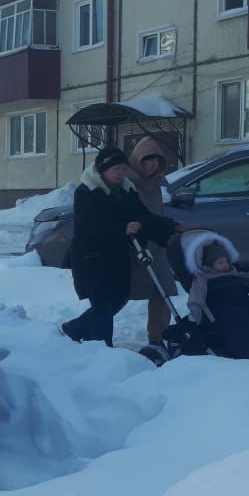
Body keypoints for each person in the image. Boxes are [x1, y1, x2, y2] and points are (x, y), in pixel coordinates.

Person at [61, 146, 178, 347]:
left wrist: (169, 225)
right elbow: (91, 225)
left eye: (123, 168)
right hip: (91, 258)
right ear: (103, 169)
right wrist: (123, 228)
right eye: (116, 169)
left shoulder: (126, 189)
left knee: (119, 298)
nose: (121, 173)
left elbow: (141, 214)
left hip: (116, 257)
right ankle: (102, 350)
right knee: (102, 304)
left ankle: (75, 328)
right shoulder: (86, 191)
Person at [127, 137, 180, 346]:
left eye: (156, 162)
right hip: (134, 244)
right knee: (120, 295)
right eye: (148, 161)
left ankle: (158, 336)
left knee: (163, 290)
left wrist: (167, 227)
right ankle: (87, 326)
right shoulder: (127, 182)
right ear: (138, 160)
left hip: (157, 244)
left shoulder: (157, 182)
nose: (152, 166)